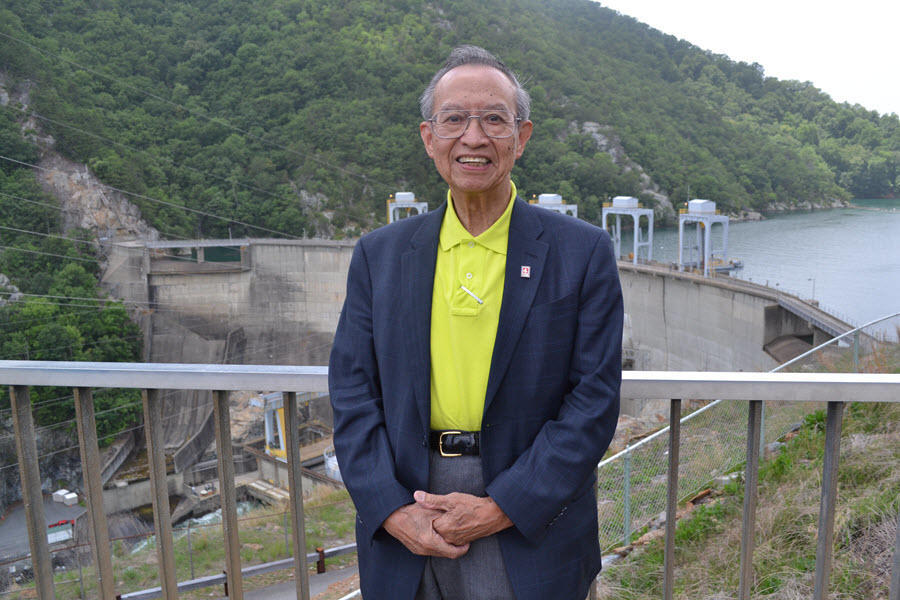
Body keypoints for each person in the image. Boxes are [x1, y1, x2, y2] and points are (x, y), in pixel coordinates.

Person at [329, 45, 623, 600]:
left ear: (522, 135)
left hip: (525, 507)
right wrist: (389, 508)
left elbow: (594, 399)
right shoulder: (381, 254)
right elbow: (351, 390)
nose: (473, 136)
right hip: (408, 498)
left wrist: (503, 506)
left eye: (493, 118)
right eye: (455, 119)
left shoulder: (581, 252)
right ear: (428, 136)